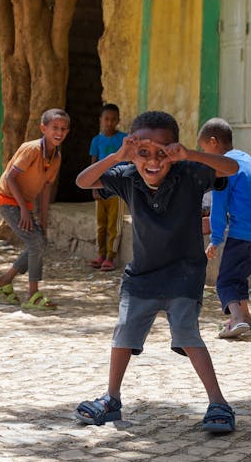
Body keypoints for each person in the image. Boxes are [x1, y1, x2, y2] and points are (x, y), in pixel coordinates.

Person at [74, 110, 239, 434]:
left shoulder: (190, 172)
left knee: (187, 332)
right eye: (143, 153)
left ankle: (218, 402)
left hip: (185, 272)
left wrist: (189, 153)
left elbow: (231, 167)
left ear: (174, 151)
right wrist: (120, 155)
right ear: (133, 153)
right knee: (124, 333)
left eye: (162, 152)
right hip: (142, 274)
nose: (153, 161)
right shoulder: (126, 175)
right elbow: (82, 181)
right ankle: (111, 398)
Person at [198, 118, 251, 338]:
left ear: (214, 142)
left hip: (241, 233)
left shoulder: (222, 169)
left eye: (203, 149)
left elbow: (218, 208)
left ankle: (235, 319)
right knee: (239, 275)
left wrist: (216, 239)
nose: (204, 155)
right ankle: (247, 318)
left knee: (225, 280)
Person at [0, 108, 70, 310]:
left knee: (39, 241)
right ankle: (33, 294)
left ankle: (4, 281)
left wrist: (43, 220)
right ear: (43, 128)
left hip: (23, 203)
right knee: (35, 243)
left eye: (63, 128)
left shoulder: (56, 158)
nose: (59, 132)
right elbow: (10, 177)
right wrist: (25, 210)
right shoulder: (32, 149)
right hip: (6, 199)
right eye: (54, 128)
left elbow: (45, 189)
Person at [88, 103, 127, 271]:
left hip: (117, 188)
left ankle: (111, 256)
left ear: (118, 120)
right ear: (101, 120)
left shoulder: (124, 139)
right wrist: (94, 188)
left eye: (113, 119)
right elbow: (93, 165)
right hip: (100, 186)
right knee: (101, 223)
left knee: (114, 224)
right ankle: (100, 254)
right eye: (106, 119)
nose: (109, 122)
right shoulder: (96, 141)